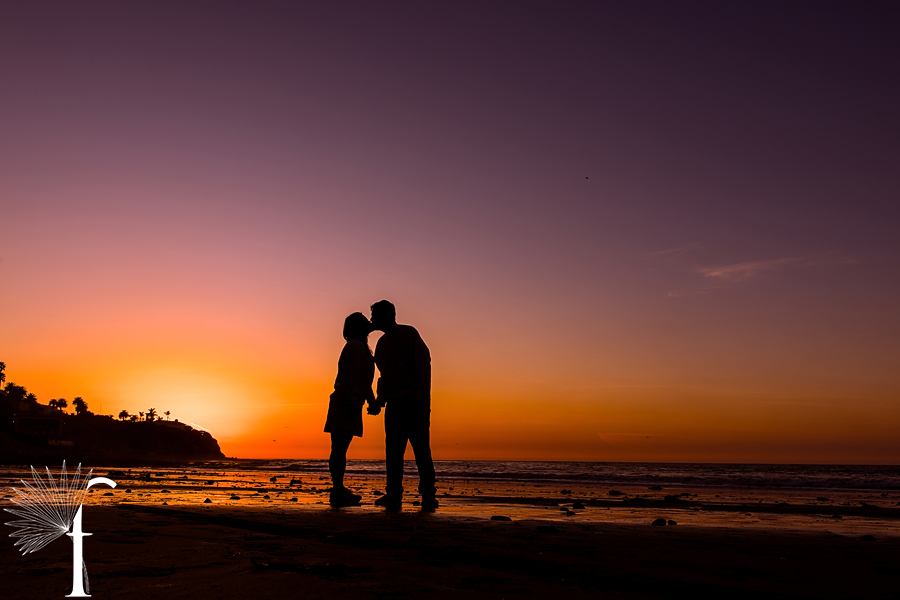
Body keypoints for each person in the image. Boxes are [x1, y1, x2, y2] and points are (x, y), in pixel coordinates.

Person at [367, 300, 437, 510]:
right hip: (395, 405)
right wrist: (380, 402)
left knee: (421, 450)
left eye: (375, 315)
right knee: (394, 452)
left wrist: (420, 397)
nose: (372, 319)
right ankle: (394, 493)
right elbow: (385, 377)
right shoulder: (381, 343)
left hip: (414, 403)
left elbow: (423, 365)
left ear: (387, 315)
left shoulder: (408, 334)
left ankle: (427, 494)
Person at [324, 312, 376, 506]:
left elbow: (362, 379)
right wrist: (356, 402)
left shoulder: (358, 347)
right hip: (346, 401)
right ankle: (337, 489)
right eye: (365, 322)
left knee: (339, 447)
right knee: (339, 447)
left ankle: (338, 488)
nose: (369, 323)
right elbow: (355, 377)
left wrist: (370, 400)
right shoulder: (355, 346)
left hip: (348, 400)